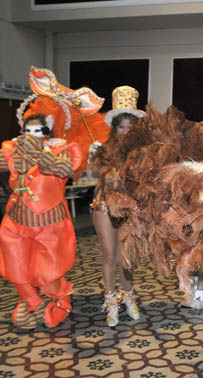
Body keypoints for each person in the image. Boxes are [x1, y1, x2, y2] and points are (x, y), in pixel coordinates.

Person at [0, 113, 82, 329]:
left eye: (38, 131)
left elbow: (65, 170)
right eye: (28, 130)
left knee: (47, 270)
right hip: (16, 220)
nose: (32, 135)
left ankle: (60, 297)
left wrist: (39, 154)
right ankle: (30, 301)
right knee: (16, 264)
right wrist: (17, 155)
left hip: (49, 222)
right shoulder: (13, 151)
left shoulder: (61, 152)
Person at [89, 86, 145, 327]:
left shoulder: (142, 153)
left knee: (126, 258)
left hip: (129, 208)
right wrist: (96, 163)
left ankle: (128, 296)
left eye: (130, 126)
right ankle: (111, 303)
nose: (126, 131)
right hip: (103, 205)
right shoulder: (103, 149)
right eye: (122, 126)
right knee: (110, 255)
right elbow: (91, 178)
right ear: (115, 128)